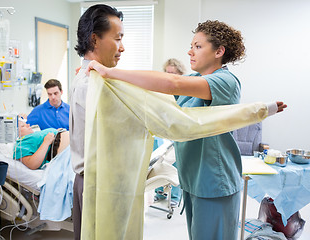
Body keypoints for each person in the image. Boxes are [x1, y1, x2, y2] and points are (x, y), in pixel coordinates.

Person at [86, 20, 287, 240]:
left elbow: (172, 83)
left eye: (198, 46)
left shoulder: (226, 81)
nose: (190, 51)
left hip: (214, 181)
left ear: (219, 51)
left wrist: (109, 72)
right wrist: (100, 78)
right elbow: (155, 90)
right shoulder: (195, 79)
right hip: (193, 179)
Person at [69, 4, 124, 240]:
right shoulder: (89, 85)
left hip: (97, 182)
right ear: (95, 39)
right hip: (96, 185)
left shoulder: (94, 79)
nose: (123, 47)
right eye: (118, 38)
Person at [154, 58, 186, 207]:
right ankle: (159, 191)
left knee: (176, 163)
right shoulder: (162, 90)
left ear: (180, 74)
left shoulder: (185, 91)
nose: (168, 75)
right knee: (158, 161)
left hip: (179, 132)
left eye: (172, 73)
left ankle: (174, 195)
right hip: (163, 130)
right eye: (166, 72)